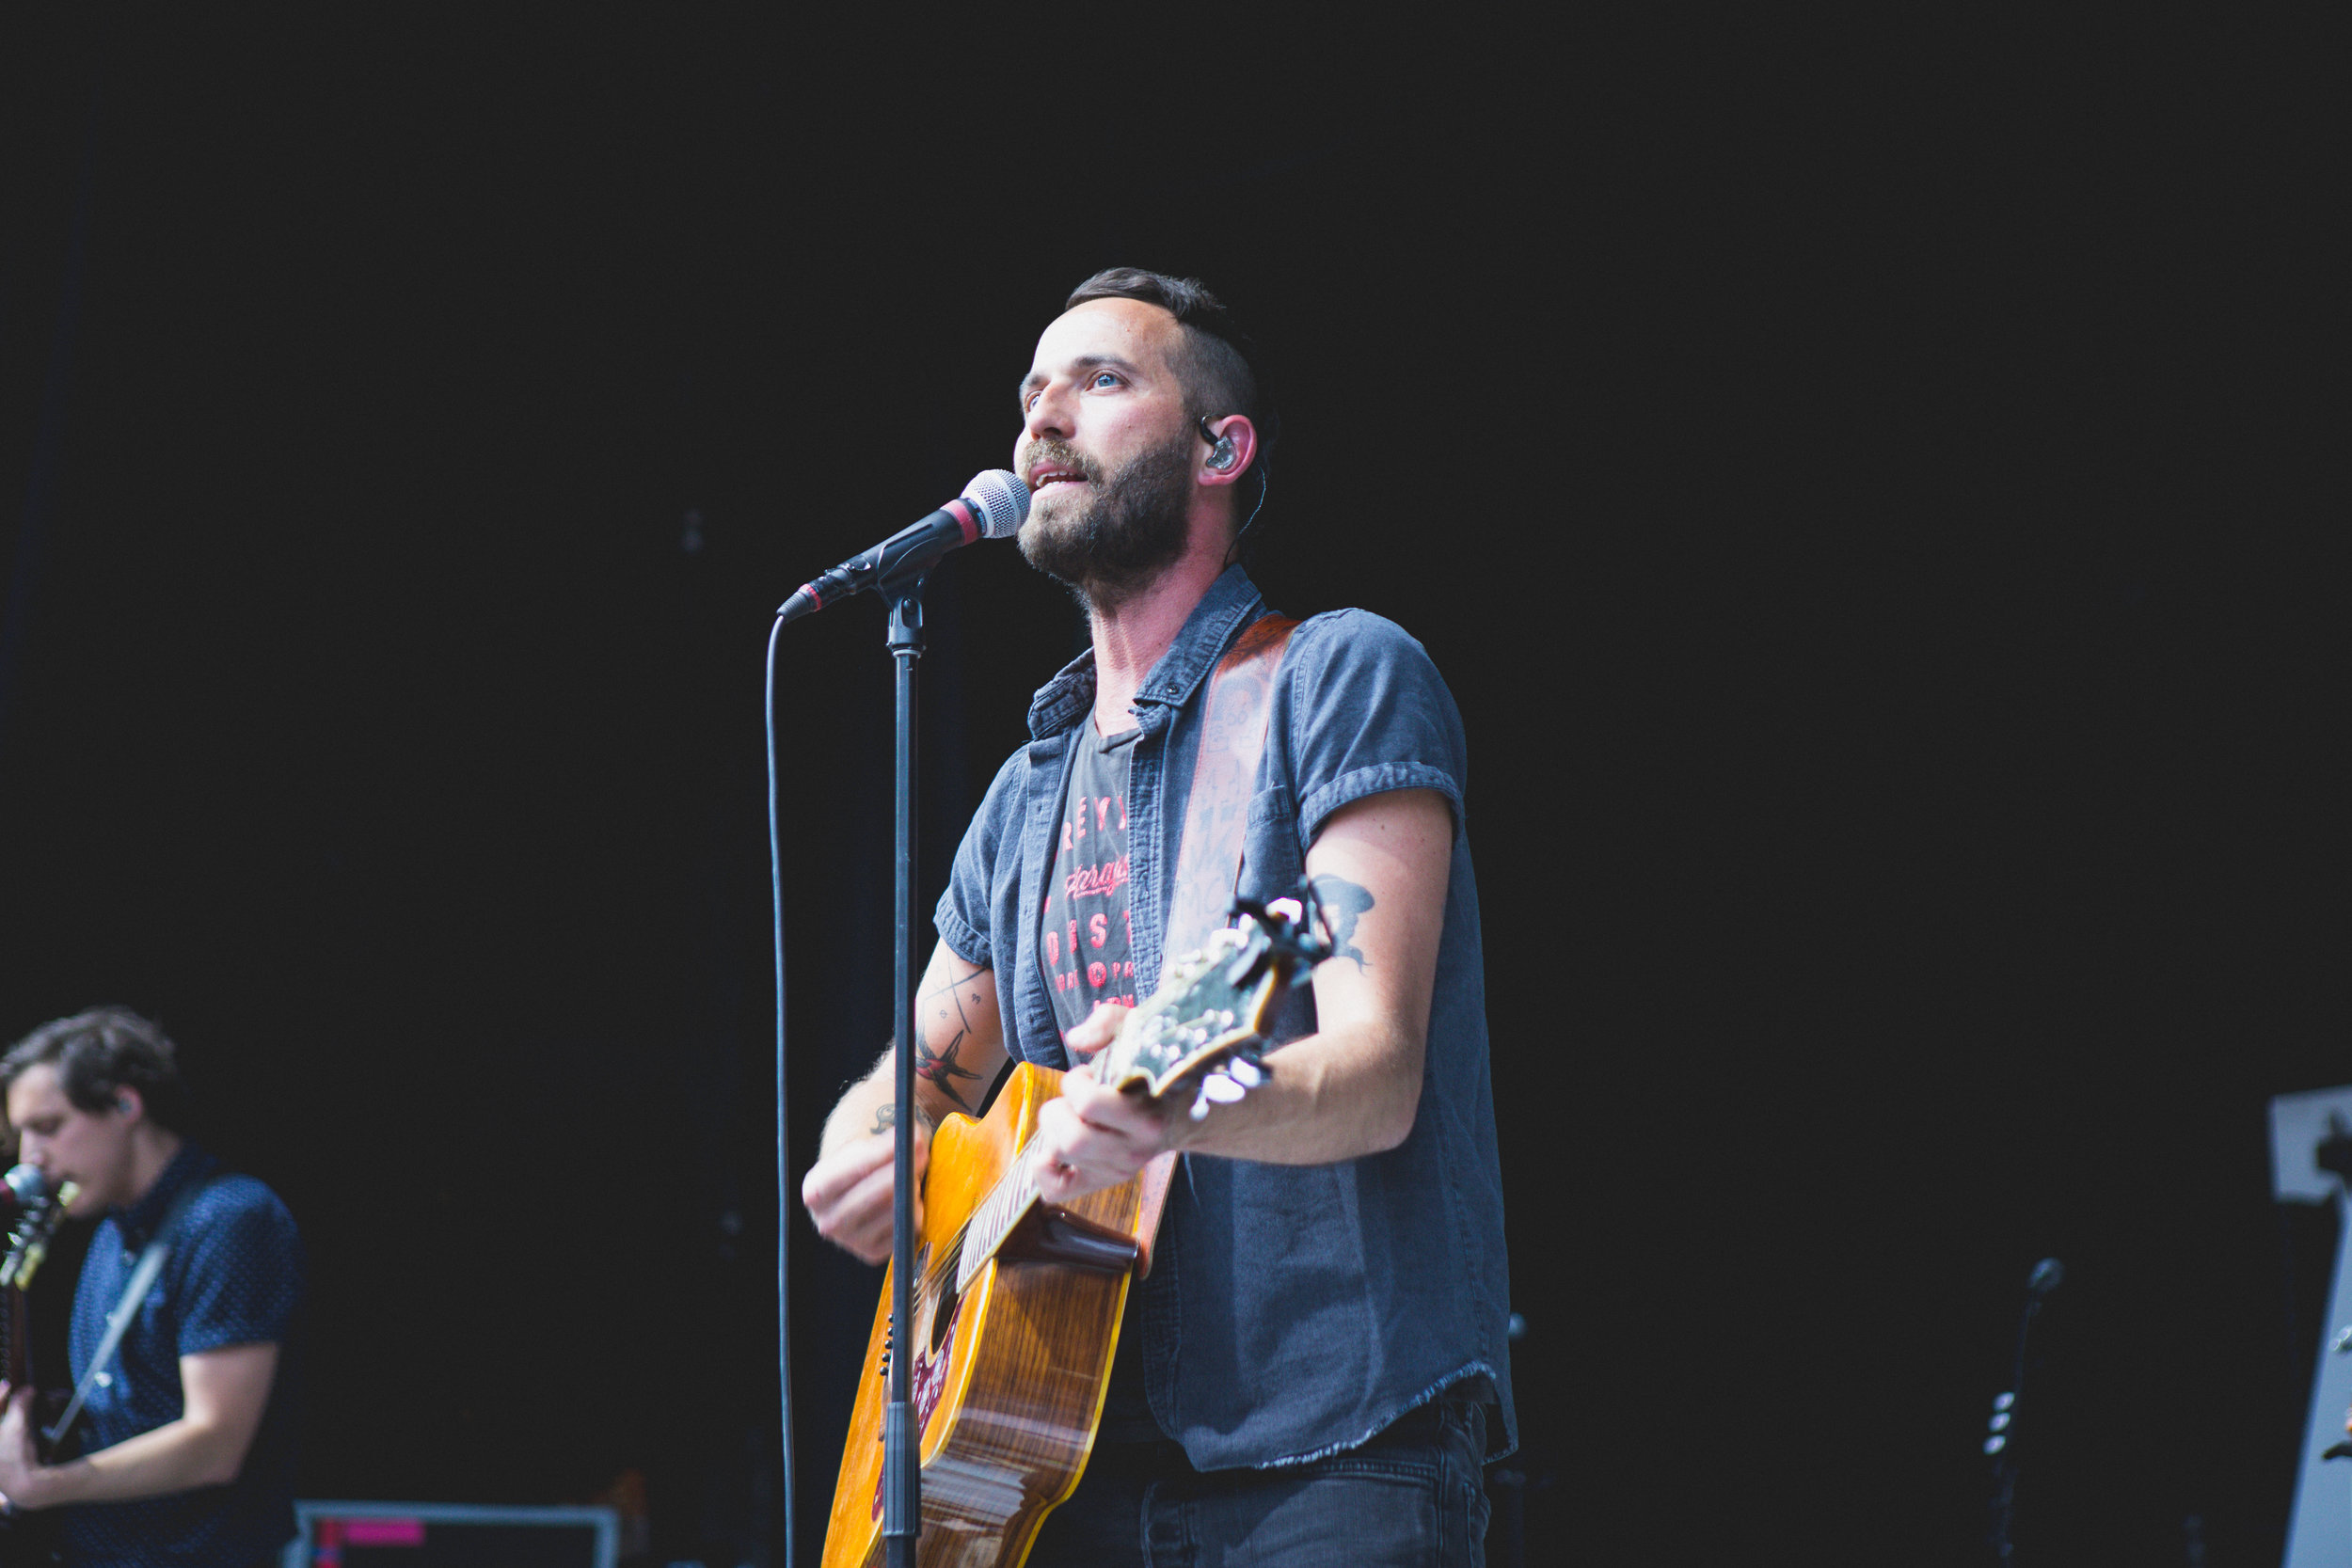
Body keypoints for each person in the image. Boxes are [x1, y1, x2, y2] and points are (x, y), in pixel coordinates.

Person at [800, 269, 1513, 1563]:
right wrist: (867, 1151)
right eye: (1031, 391)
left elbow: (1376, 1072)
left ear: (1218, 449)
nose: (1042, 417)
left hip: (1326, 1457)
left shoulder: (1338, 676)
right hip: (1059, 1476)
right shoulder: (1022, 798)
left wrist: (1178, 1105)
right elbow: (914, 1080)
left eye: (1100, 379)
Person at [0, 1006, 303, 1566]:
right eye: (22, 1134)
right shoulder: (110, 1232)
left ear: (125, 1105)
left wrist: (48, 1485)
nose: (30, 1159)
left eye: (48, 1127)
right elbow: (122, 1411)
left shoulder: (229, 1218)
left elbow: (215, 1442)